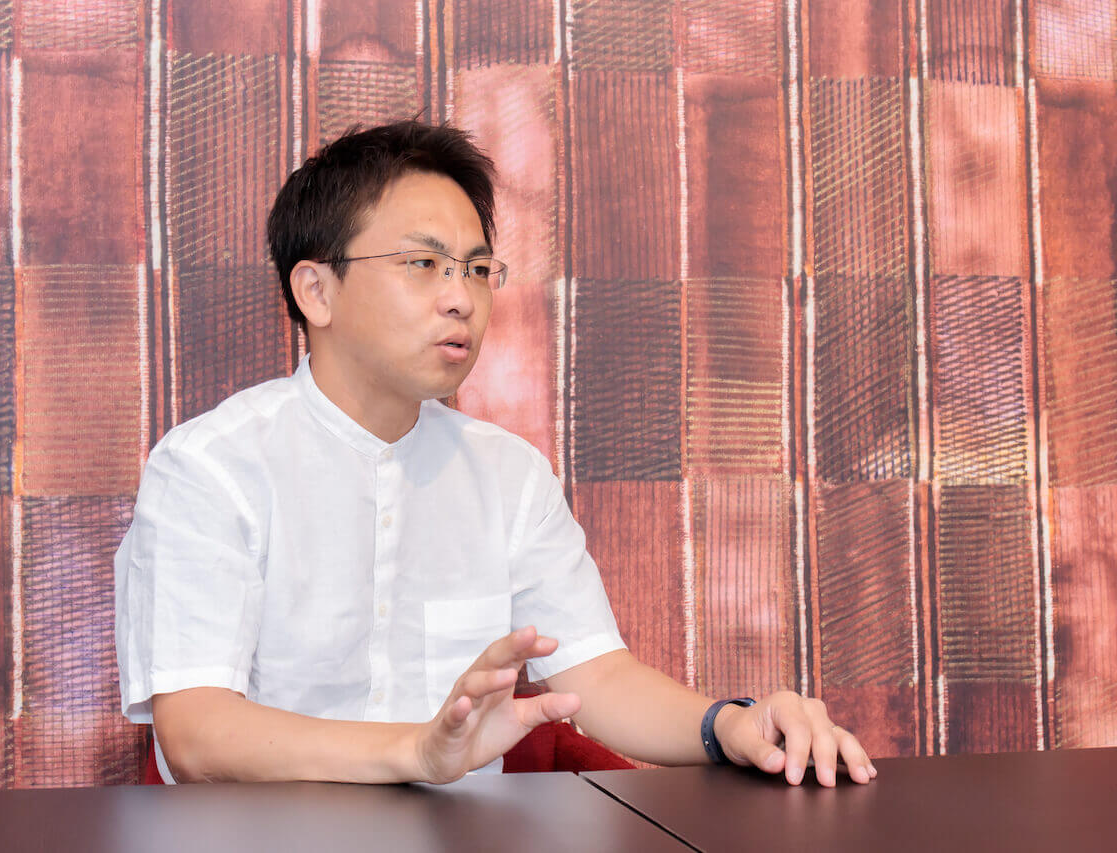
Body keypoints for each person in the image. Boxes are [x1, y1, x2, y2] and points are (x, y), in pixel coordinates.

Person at [114, 120, 876, 787]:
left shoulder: (509, 475)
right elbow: (197, 732)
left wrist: (729, 724)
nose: (462, 298)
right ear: (316, 291)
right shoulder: (210, 468)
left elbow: (596, 677)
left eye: (478, 270)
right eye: (424, 264)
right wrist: (417, 751)